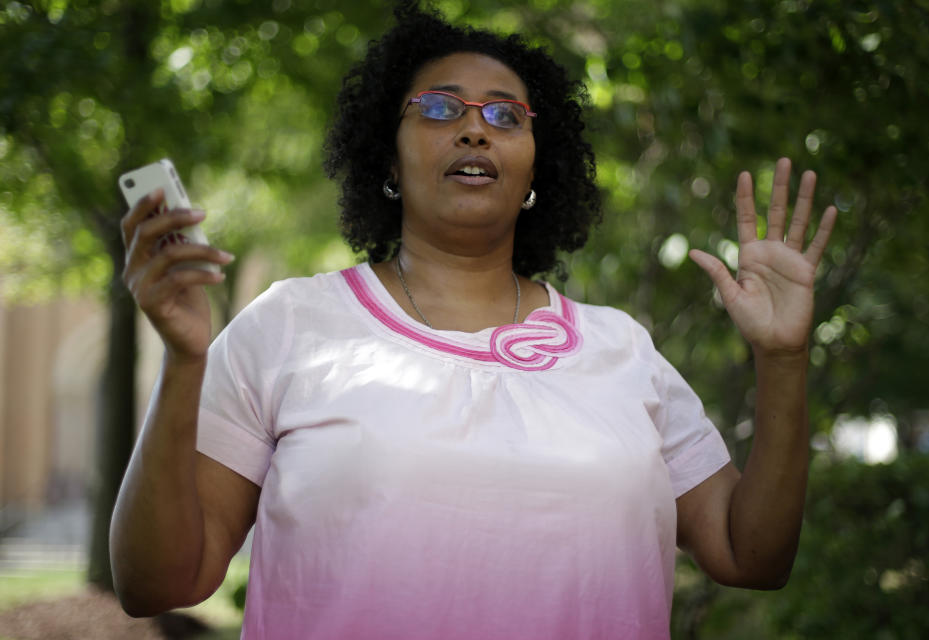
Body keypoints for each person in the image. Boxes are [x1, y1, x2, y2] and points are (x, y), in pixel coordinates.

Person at [110, 4, 837, 639]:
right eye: (438, 107)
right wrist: (182, 362)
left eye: (504, 115)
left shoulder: (622, 348)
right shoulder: (290, 325)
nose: (473, 130)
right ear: (386, 158)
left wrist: (781, 361)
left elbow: (751, 556)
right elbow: (158, 584)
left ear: (532, 170)